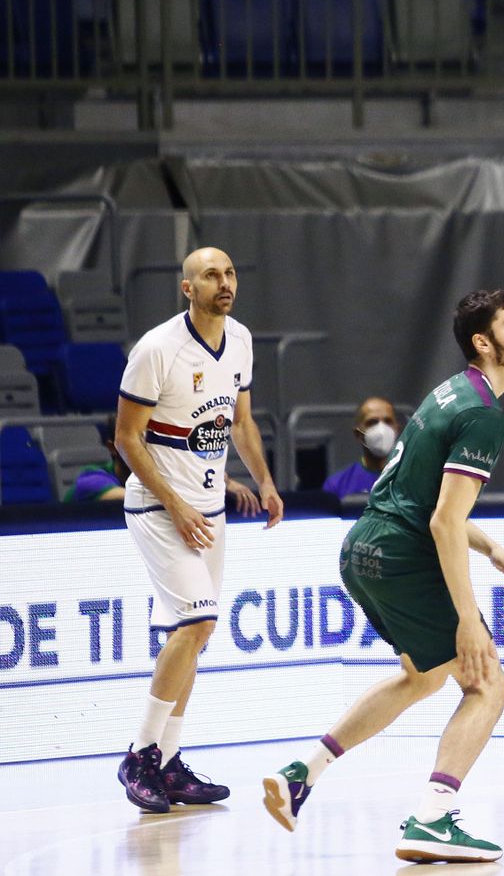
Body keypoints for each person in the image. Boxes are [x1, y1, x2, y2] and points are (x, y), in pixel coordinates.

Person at [263, 289, 504, 864]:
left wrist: (490, 548)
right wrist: (468, 620)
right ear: (484, 343)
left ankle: (301, 773)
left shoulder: (450, 391)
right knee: (488, 684)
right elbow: (442, 522)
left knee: (422, 677)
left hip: (362, 548)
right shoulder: (484, 414)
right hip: (404, 556)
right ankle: (434, 819)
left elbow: (426, 501)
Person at [113, 247, 284, 813]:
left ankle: (168, 760)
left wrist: (264, 482)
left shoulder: (240, 338)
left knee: (194, 637)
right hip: (158, 509)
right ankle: (139, 756)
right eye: (211, 275)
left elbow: (239, 421)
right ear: (187, 287)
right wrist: (177, 505)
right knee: (198, 622)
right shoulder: (157, 348)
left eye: (230, 272)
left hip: (210, 509)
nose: (224, 281)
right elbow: (127, 439)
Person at [70, 414, 265, 515]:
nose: (147, 446)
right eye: (138, 439)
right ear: (113, 447)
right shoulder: (90, 480)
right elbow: (140, 496)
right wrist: (204, 484)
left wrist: (224, 483)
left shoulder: (162, 472)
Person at [322, 396, 401, 499]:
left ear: (397, 430)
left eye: (388, 421)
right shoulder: (337, 486)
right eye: (372, 422)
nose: (381, 430)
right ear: (358, 434)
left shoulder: (413, 479)